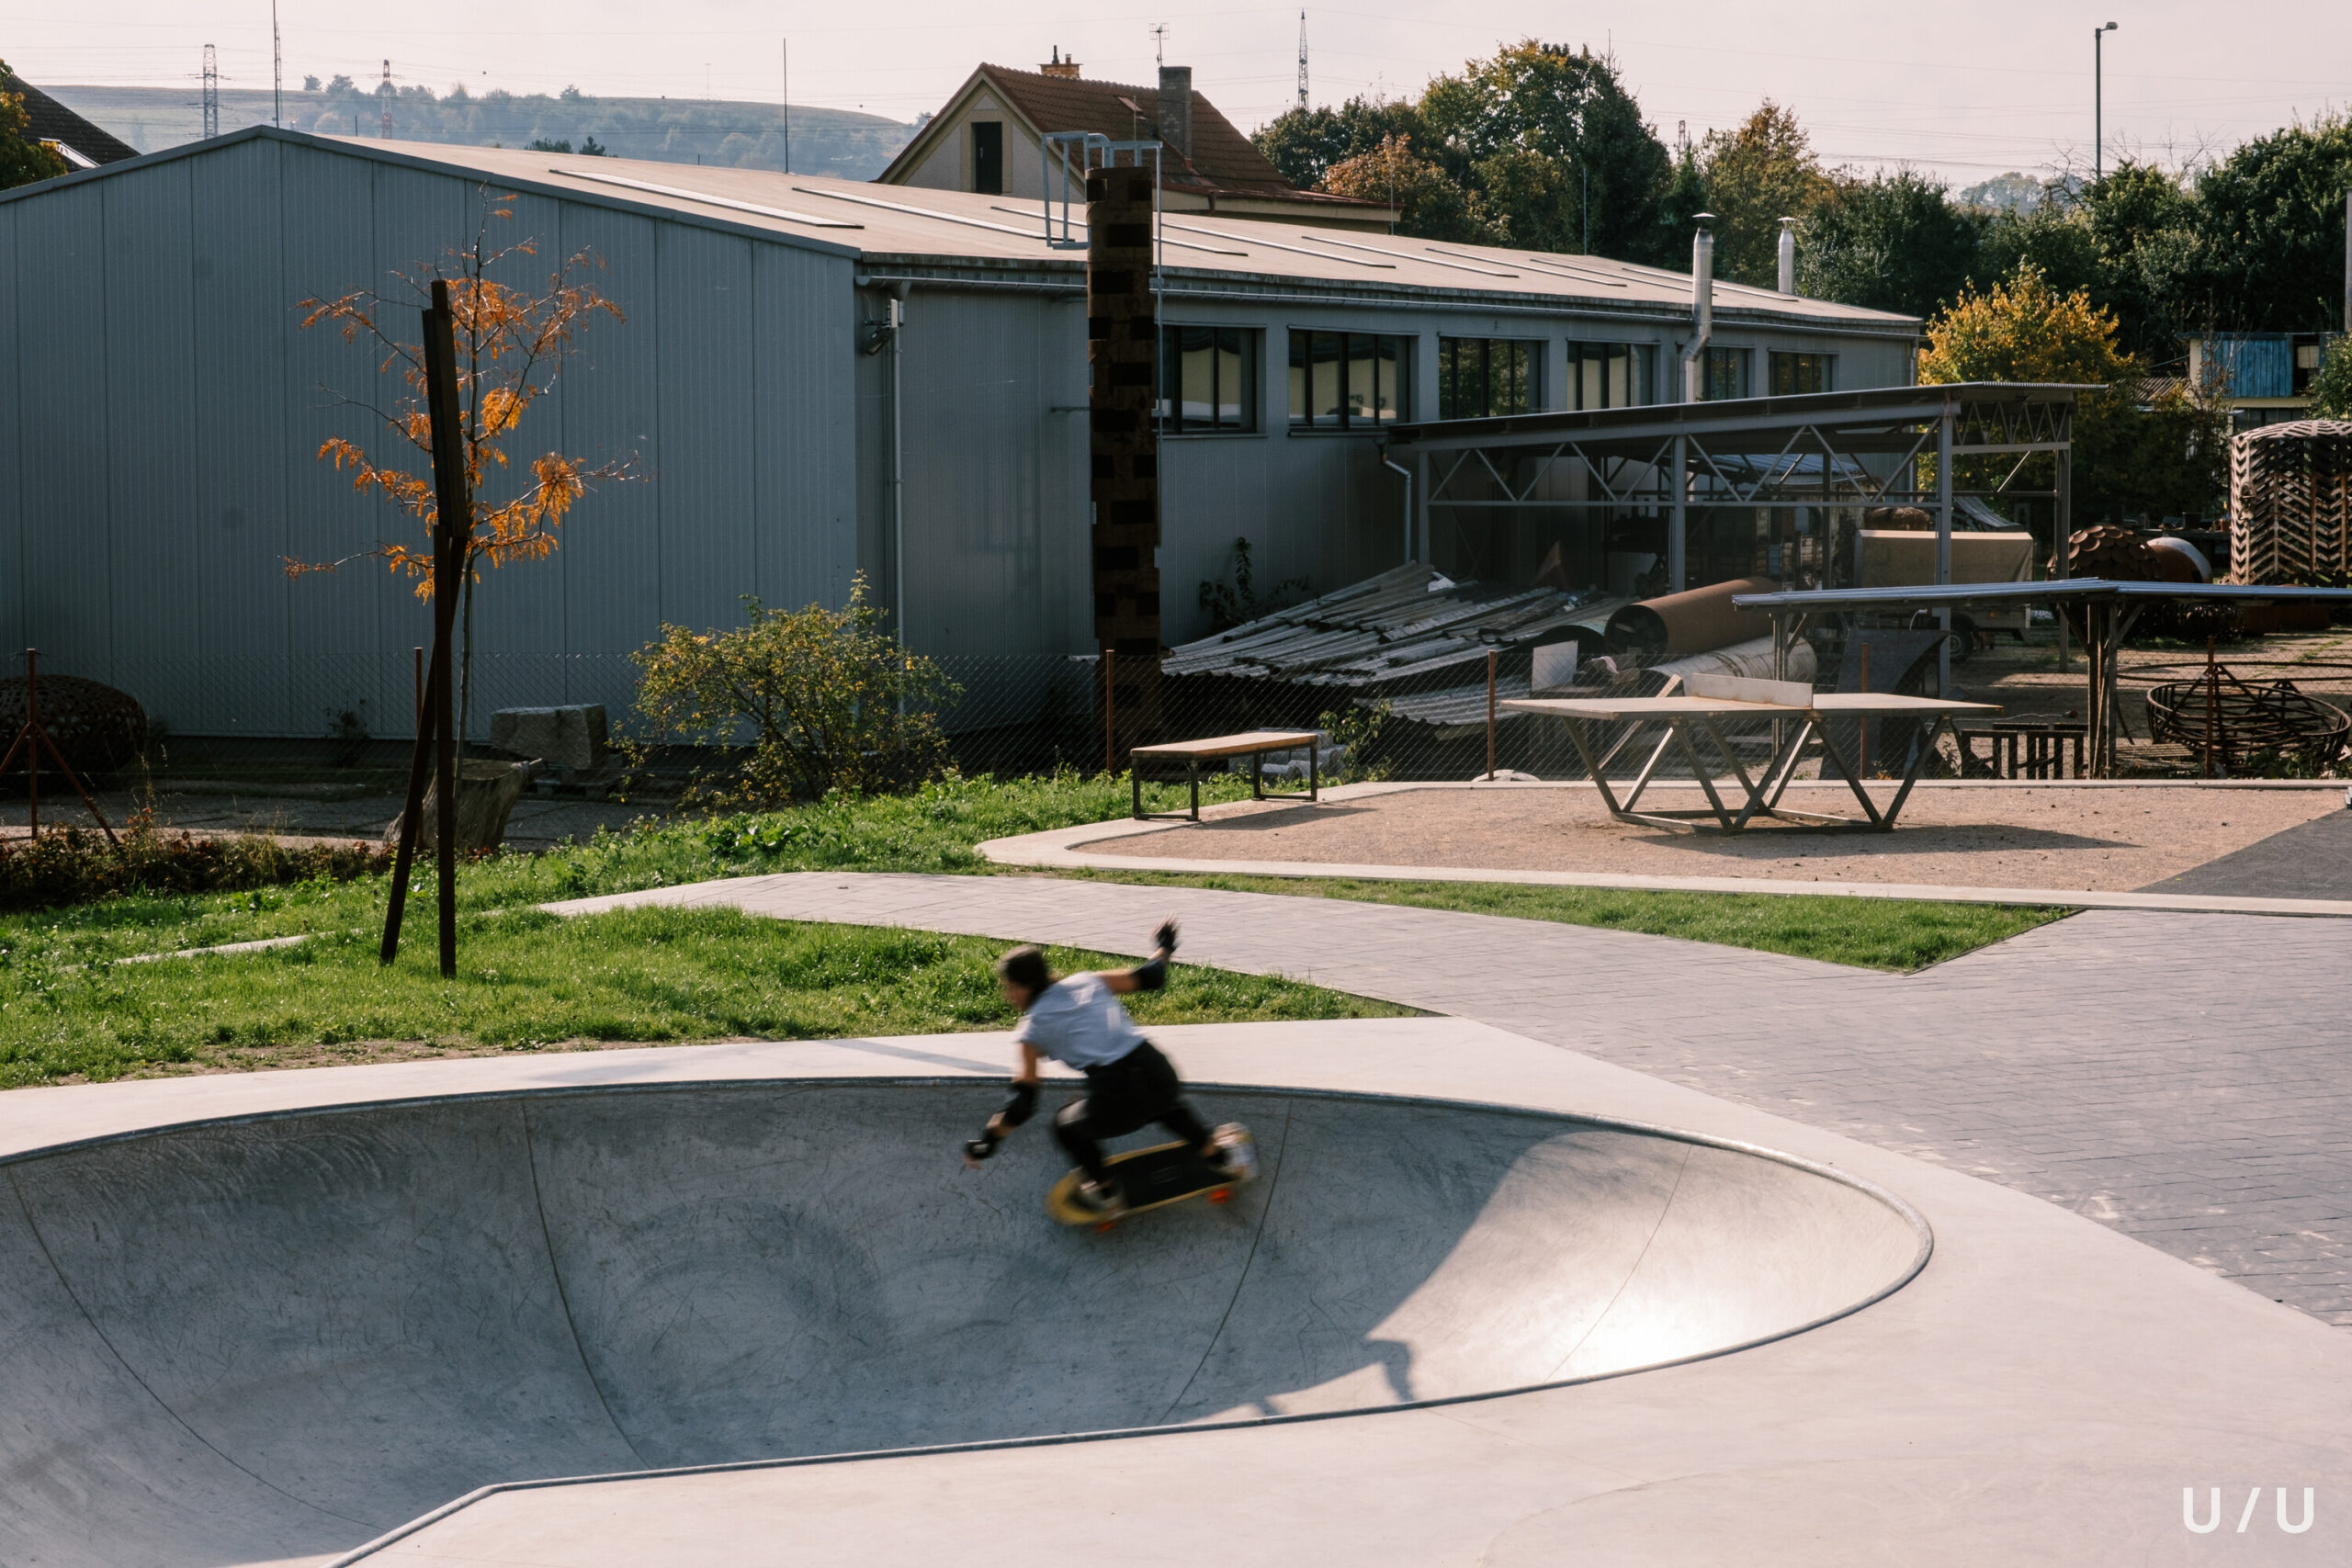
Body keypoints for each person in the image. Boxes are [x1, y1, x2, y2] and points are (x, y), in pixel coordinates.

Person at [962, 919, 1249, 1214]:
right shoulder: (1087, 980)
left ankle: (1104, 1191)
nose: (1008, 996)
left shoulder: (1031, 1030)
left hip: (1118, 1099)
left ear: (1024, 987)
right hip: (1159, 1071)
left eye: (1010, 988)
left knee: (1065, 1126)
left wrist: (988, 1140)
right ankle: (1220, 1157)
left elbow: (1023, 1103)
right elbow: (1150, 976)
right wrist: (1165, 945)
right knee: (1166, 1105)